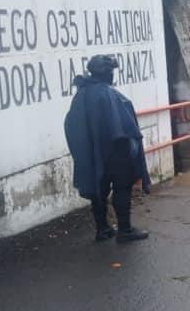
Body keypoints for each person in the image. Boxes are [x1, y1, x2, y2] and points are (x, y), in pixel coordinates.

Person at [64, 55, 150, 242]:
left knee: (99, 188)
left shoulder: (81, 94)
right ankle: (125, 230)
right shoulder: (108, 94)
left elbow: (71, 124)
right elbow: (123, 126)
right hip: (114, 150)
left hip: (92, 152)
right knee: (122, 186)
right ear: (107, 73)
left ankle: (102, 229)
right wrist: (130, 152)